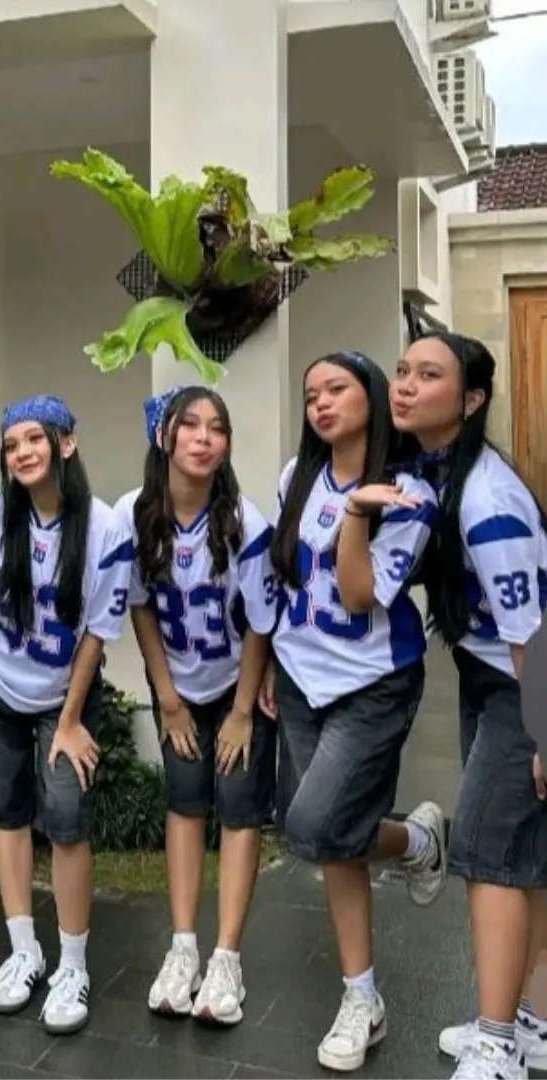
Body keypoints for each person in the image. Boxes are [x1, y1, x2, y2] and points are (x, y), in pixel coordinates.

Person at [262, 349, 447, 1073]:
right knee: (333, 842)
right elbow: (283, 579)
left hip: (372, 683)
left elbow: (359, 594)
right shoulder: (296, 476)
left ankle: (413, 842)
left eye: (336, 388)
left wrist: (358, 513)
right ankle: (361, 997)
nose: (321, 402)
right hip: (301, 676)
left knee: (315, 828)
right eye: (312, 393)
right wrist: (270, 665)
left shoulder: (409, 493)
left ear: (371, 395)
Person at [0, 394, 133, 1036]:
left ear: (65, 444)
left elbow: (98, 633)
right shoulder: (1, 511)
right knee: (7, 813)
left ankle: (72, 965)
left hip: (63, 692)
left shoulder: (105, 528)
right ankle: (24, 950)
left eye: (33, 439)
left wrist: (72, 718)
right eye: (11, 444)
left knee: (67, 820)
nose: (21, 452)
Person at [390, 332, 547, 1080]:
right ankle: (532, 1022)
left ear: (472, 399)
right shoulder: (433, 473)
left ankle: (495, 1043)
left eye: (429, 375)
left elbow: (532, 631)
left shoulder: (485, 497)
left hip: (528, 683)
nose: (406, 385)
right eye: (403, 370)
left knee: (488, 852)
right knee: (526, 855)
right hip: (493, 676)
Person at [117, 385, 279, 1025]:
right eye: (191, 425)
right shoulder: (134, 515)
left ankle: (227, 957)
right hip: (179, 686)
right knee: (184, 803)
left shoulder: (244, 521)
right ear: (165, 436)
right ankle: (183, 946)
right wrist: (166, 698)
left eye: (217, 427)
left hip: (239, 684)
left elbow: (261, 621)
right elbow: (139, 607)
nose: (204, 438)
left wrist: (241, 711)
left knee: (239, 810)